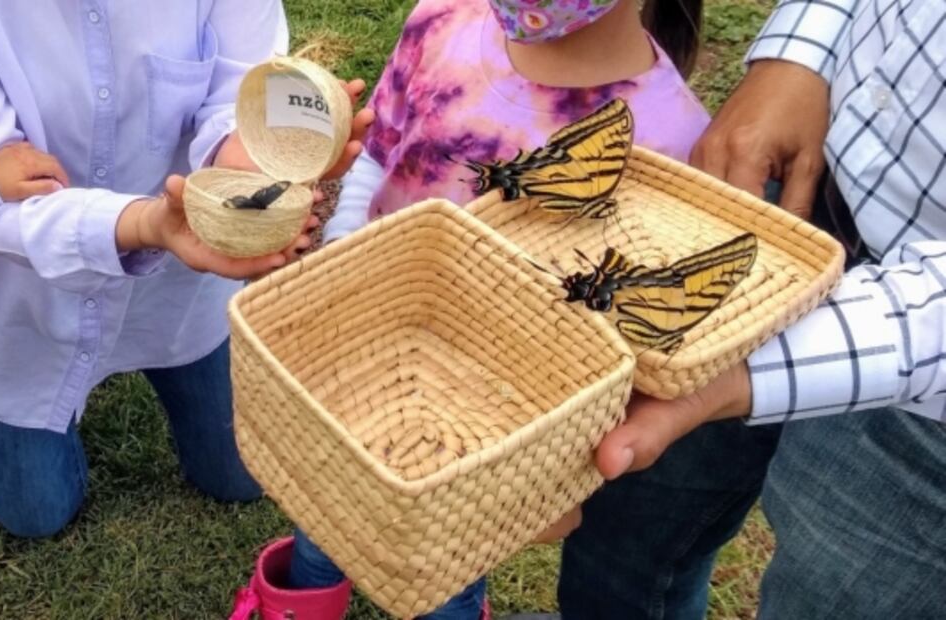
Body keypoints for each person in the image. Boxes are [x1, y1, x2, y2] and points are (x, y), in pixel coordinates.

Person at [227, 0, 779, 618]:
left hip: (491, 421)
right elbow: (383, 150)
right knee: (324, 505)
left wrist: (555, 476)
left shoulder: (673, 143)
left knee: (440, 572)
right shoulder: (441, 22)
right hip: (364, 353)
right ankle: (302, 598)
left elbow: (627, 349)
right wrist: (342, 252)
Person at [0, 0, 371, 540]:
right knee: (35, 514)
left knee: (243, 475)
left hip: (179, 290)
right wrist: (144, 224)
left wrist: (246, 156)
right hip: (19, 295)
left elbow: (236, 91)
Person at [586, 0, 946, 618]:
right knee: (629, 533)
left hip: (925, 406)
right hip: (794, 186)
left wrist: (743, 365)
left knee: (827, 598)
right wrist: (802, 49)